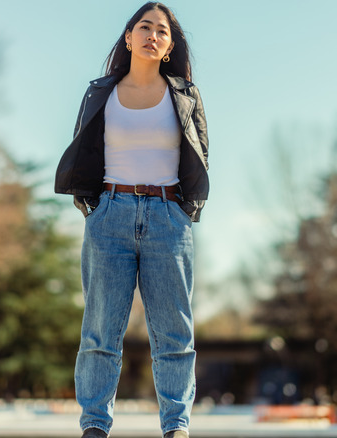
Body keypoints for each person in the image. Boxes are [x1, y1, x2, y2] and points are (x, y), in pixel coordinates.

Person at [54, 3, 209, 438]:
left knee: (175, 335)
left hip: (168, 219)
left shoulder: (185, 94)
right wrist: (94, 207)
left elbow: (201, 154)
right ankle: (95, 427)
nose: (152, 35)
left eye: (161, 31)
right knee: (100, 332)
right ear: (128, 37)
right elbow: (84, 149)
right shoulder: (100, 92)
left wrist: (185, 211)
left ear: (169, 46)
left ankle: (176, 427)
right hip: (110, 217)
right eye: (144, 27)